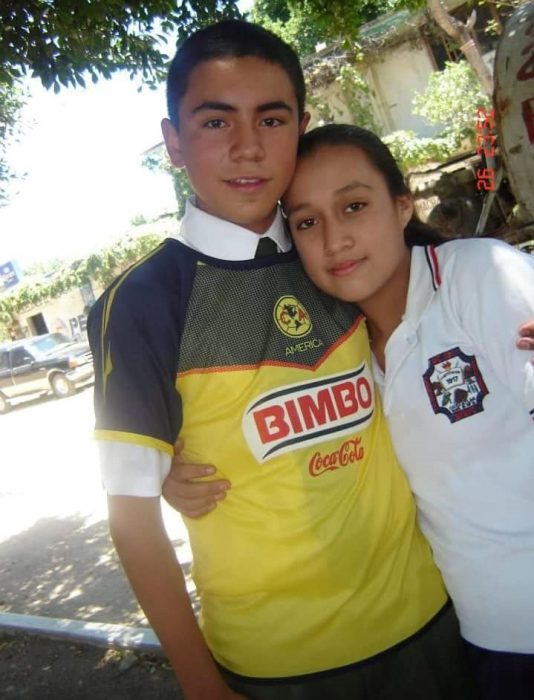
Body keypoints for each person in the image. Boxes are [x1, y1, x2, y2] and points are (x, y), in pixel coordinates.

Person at [88, 21, 477, 700]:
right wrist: (200, 684)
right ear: (173, 142)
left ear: (301, 124)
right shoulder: (146, 300)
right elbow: (131, 515)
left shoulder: (334, 254)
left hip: (431, 616)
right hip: (278, 666)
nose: (247, 146)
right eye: (215, 122)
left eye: (270, 118)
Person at [171, 123, 533, 699]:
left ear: (400, 204)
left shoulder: (476, 278)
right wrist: (176, 472)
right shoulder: (342, 348)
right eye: (308, 222)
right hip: (468, 641)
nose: (335, 239)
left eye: (355, 206)